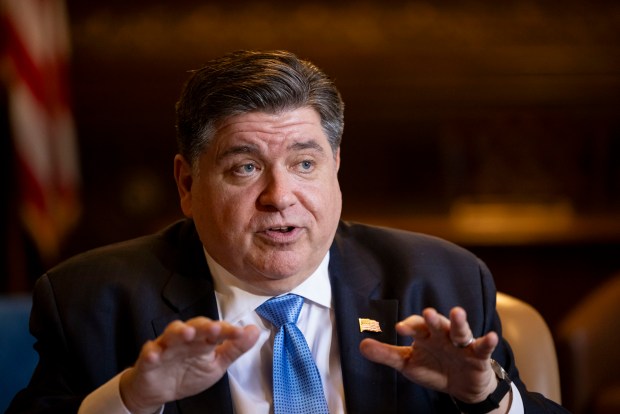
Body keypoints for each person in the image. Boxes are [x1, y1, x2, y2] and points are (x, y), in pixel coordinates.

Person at [7, 50, 569, 414]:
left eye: (305, 164)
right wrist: (132, 401)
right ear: (186, 183)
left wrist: (489, 398)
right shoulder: (91, 301)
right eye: (245, 167)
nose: (280, 197)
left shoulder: (442, 282)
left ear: (336, 167)